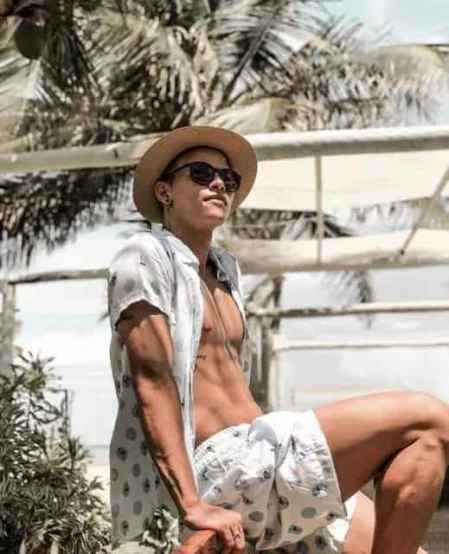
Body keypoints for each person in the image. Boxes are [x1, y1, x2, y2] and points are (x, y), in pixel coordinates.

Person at [107, 125, 448, 554]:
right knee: (429, 420)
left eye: (228, 179)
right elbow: (152, 379)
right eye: (201, 173)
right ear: (164, 191)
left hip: (264, 461)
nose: (218, 184)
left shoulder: (225, 272)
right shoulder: (145, 255)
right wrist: (191, 505)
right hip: (220, 467)